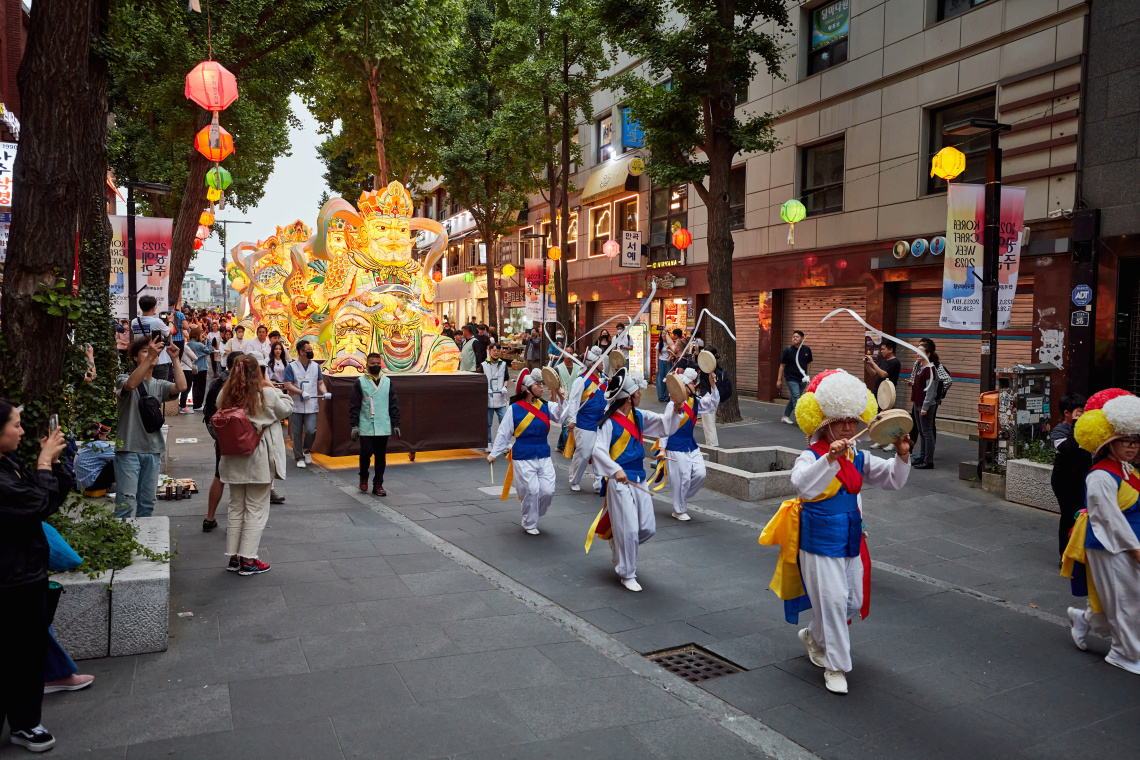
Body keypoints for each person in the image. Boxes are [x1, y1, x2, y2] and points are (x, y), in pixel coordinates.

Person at [759, 369, 911, 694]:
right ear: (823, 422)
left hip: (851, 537)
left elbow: (893, 480)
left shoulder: (859, 456)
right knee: (833, 601)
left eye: (852, 420)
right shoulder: (810, 456)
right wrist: (829, 458)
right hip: (817, 541)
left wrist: (902, 455)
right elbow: (802, 486)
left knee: (852, 602)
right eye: (840, 421)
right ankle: (836, 666)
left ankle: (814, 636)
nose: (848, 427)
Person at [0, 398, 71, 752]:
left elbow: (45, 503)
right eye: (15, 425)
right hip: (7, 582)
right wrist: (44, 463)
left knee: (30, 653)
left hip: (29, 574)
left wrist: (54, 465)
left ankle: (26, 723)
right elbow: (33, 504)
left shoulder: (9, 463)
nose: (22, 430)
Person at [1062, 389, 1140, 675]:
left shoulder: (1128, 469)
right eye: (1125, 442)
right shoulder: (1100, 476)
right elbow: (1107, 519)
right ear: (1109, 445)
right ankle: (1123, 653)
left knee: (1126, 598)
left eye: (1134, 442)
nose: (1131, 447)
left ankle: (1083, 619)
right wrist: (1134, 547)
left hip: (1130, 542)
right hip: (1111, 546)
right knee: (1127, 600)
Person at [588, 369, 682, 591]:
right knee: (629, 529)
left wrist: (676, 411)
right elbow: (597, 450)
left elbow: (664, 425)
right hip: (620, 481)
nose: (641, 394)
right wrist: (614, 470)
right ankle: (627, 572)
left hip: (638, 478)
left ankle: (620, 543)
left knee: (647, 528)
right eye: (638, 391)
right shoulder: (608, 422)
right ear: (629, 397)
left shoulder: (638, 416)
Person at [217, 354, 292, 575]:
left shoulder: (225, 394)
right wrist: (273, 387)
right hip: (258, 456)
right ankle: (249, 559)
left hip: (233, 456)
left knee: (236, 506)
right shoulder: (265, 393)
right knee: (256, 508)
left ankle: (233, 557)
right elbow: (286, 409)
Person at [114, 335, 187, 519]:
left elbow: (181, 386)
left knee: (148, 503)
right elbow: (131, 384)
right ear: (136, 357)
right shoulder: (123, 379)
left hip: (153, 450)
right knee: (126, 502)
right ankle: (120, 544)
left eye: (154, 351)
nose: (152, 354)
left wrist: (175, 359)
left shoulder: (159, 384)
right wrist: (149, 358)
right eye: (146, 351)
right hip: (129, 450)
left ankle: (142, 544)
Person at [486, 369, 566, 535]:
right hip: (523, 455)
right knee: (532, 490)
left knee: (547, 491)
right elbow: (503, 432)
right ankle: (529, 522)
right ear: (527, 389)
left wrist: (561, 398)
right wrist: (494, 453)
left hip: (543, 453)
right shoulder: (514, 409)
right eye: (537, 384)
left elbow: (560, 416)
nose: (541, 387)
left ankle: (534, 513)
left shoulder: (545, 406)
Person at [655, 367, 720, 521]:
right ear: (684, 386)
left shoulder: (695, 402)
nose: (695, 385)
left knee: (700, 473)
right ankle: (678, 509)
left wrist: (713, 385)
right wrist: (662, 449)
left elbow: (713, 404)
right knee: (681, 478)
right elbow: (665, 427)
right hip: (675, 444)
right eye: (692, 383)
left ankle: (681, 496)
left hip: (690, 444)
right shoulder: (673, 405)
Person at [350, 353, 401, 496]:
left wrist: (396, 423)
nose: (376, 366)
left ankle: (378, 484)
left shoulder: (387, 382)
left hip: (383, 424)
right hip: (366, 423)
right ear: (366, 365)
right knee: (366, 453)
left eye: (378, 363)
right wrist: (354, 425)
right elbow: (354, 406)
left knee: (380, 457)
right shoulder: (360, 382)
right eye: (372, 364)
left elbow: (394, 404)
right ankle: (363, 476)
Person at [1051, 393, 1091, 556]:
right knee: (1069, 517)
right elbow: (1069, 450)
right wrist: (1075, 425)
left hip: (1083, 480)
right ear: (1067, 413)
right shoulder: (1059, 431)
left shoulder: (1086, 429)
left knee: (1082, 516)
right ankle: (1066, 554)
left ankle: (1080, 550)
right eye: (1079, 411)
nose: (1082, 415)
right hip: (1065, 482)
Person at [565, 346, 609, 493]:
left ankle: (598, 484)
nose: (602, 362)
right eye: (599, 360)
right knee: (584, 454)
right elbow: (573, 401)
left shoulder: (603, 380)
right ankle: (574, 480)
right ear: (591, 364)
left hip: (601, 422)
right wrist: (572, 419)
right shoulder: (581, 380)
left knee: (600, 453)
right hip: (584, 422)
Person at [283, 340, 330, 468]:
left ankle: (307, 449)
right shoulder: (291, 367)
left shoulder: (315, 366)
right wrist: (301, 392)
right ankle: (299, 457)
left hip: (311, 404)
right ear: (301, 352)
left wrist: (325, 392)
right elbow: (287, 385)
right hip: (296, 404)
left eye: (311, 349)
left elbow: (320, 383)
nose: (311, 352)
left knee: (311, 430)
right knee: (297, 432)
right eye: (308, 350)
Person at [865, 340, 902, 450]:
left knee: (889, 418)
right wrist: (867, 364)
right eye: (880, 349)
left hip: (888, 395)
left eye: (883, 349)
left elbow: (883, 374)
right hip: (879, 393)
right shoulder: (883, 361)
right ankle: (880, 440)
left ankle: (893, 441)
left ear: (891, 350)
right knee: (880, 418)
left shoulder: (895, 362)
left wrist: (873, 363)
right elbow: (873, 373)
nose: (881, 351)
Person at [130, 295, 173, 382]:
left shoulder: (134, 322)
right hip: (158, 360)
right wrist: (170, 321)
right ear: (154, 308)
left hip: (142, 360)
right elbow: (170, 332)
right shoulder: (157, 322)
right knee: (160, 388)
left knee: (143, 387)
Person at [911, 350, 941, 470]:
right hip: (917, 403)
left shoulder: (930, 369)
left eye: (921, 352)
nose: (917, 354)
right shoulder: (919, 367)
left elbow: (930, 390)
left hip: (926, 405)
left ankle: (928, 461)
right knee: (921, 432)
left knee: (927, 432)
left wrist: (925, 407)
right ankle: (922, 457)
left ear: (927, 355)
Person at [698, 345, 732, 447]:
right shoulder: (716, 367)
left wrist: (693, 354)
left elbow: (692, 364)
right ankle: (712, 445)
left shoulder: (706, 367)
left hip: (707, 395)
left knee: (709, 424)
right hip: (713, 395)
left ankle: (712, 446)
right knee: (710, 422)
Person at [778, 330, 812, 425]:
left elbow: (809, 363)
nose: (794, 338)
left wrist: (807, 376)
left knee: (794, 397)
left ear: (802, 338)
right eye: (793, 337)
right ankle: (801, 419)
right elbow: (782, 365)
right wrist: (779, 380)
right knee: (797, 397)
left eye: (797, 337)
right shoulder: (788, 351)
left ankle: (785, 416)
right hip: (791, 378)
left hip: (802, 379)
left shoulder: (807, 350)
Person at [481, 344, 511, 449]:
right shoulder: (483, 365)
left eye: (498, 350)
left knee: (504, 421)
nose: (496, 352)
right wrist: (484, 389)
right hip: (488, 398)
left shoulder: (503, 364)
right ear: (489, 351)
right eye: (493, 350)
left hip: (500, 398)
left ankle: (504, 443)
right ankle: (488, 443)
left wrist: (505, 387)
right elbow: (479, 380)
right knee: (488, 423)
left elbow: (506, 378)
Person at [74, 422, 116, 495]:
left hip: (82, 486)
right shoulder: (99, 445)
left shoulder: (84, 445)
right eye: (104, 434)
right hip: (93, 485)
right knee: (116, 461)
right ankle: (113, 487)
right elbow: (120, 453)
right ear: (100, 435)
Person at [555, 351, 580, 453]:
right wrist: (554, 398)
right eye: (567, 353)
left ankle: (560, 445)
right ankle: (567, 447)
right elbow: (554, 385)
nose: (569, 355)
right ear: (563, 354)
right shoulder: (558, 368)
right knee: (567, 423)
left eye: (571, 353)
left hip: (574, 399)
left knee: (567, 423)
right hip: (563, 398)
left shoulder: (578, 368)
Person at [182, 327, 210, 413]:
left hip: (192, 367)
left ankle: (195, 403)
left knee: (194, 386)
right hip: (201, 367)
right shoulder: (200, 345)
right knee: (201, 386)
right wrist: (208, 341)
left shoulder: (188, 344)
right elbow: (208, 350)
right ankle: (198, 405)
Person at [655, 327, 674, 402]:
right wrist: (656, 366)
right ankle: (660, 397)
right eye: (662, 334)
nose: (663, 336)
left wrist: (670, 357)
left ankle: (667, 396)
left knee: (668, 380)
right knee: (659, 380)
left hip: (668, 362)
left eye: (664, 334)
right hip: (660, 362)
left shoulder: (670, 343)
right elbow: (657, 355)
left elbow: (674, 352)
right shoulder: (658, 344)